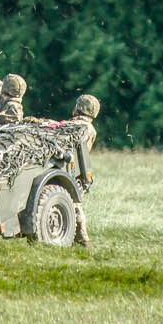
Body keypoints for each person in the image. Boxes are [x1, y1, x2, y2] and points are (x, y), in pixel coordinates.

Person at [61, 94, 101, 247]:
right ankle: (81, 239)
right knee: (76, 204)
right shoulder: (90, 128)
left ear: (78, 108)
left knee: (74, 205)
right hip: (77, 172)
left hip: (69, 169)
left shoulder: (72, 125)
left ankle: (80, 238)